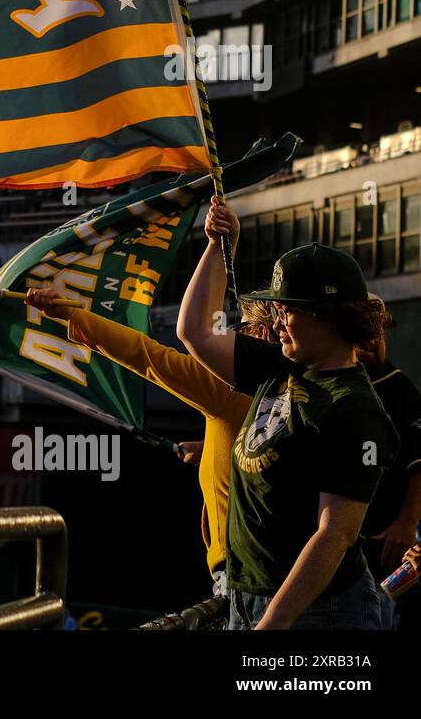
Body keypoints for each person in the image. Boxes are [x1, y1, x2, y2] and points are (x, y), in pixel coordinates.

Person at [177, 197, 398, 629]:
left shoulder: (355, 411)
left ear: (330, 316)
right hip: (249, 598)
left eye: (288, 309)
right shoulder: (278, 363)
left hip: (315, 613)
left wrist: (270, 626)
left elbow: (334, 537)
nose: (276, 322)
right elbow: (195, 332)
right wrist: (221, 246)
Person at [24, 277, 275, 596]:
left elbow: (146, 355)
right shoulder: (305, 383)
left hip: (247, 576)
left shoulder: (229, 387)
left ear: (263, 334)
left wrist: (73, 315)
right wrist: (211, 446)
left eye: (242, 328)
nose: (233, 336)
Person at [355, 302, 421, 629]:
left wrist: (407, 523)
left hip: (387, 549)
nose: (374, 341)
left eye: (378, 332)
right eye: (366, 331)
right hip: (341, 548)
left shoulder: (397, 385)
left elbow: (419, 461)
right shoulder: (325, 383)